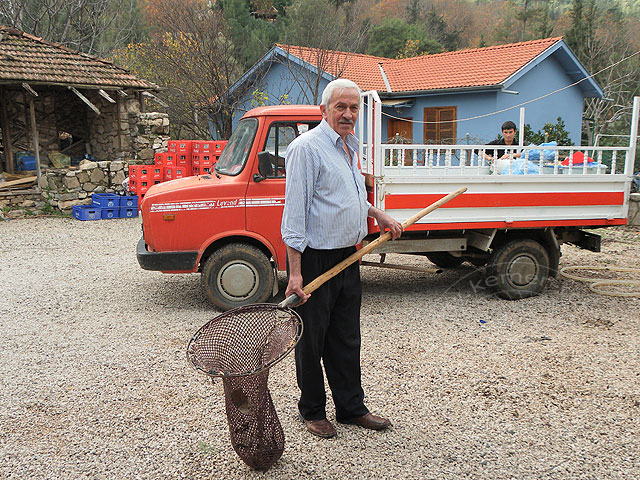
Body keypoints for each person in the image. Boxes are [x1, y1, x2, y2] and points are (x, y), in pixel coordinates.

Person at [281, 78, 403, 439]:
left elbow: (345, 195)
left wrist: (376, 213)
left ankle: (351, 408)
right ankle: (313, 410)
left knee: (347, 337)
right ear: (324, 110)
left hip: (349, 259)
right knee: (312, 339)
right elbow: (295, 215)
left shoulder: (349, 147)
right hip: (316, 260)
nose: (348, 114)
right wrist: (296, 275)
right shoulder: (307, 149)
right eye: (341, 107)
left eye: (354, 108)